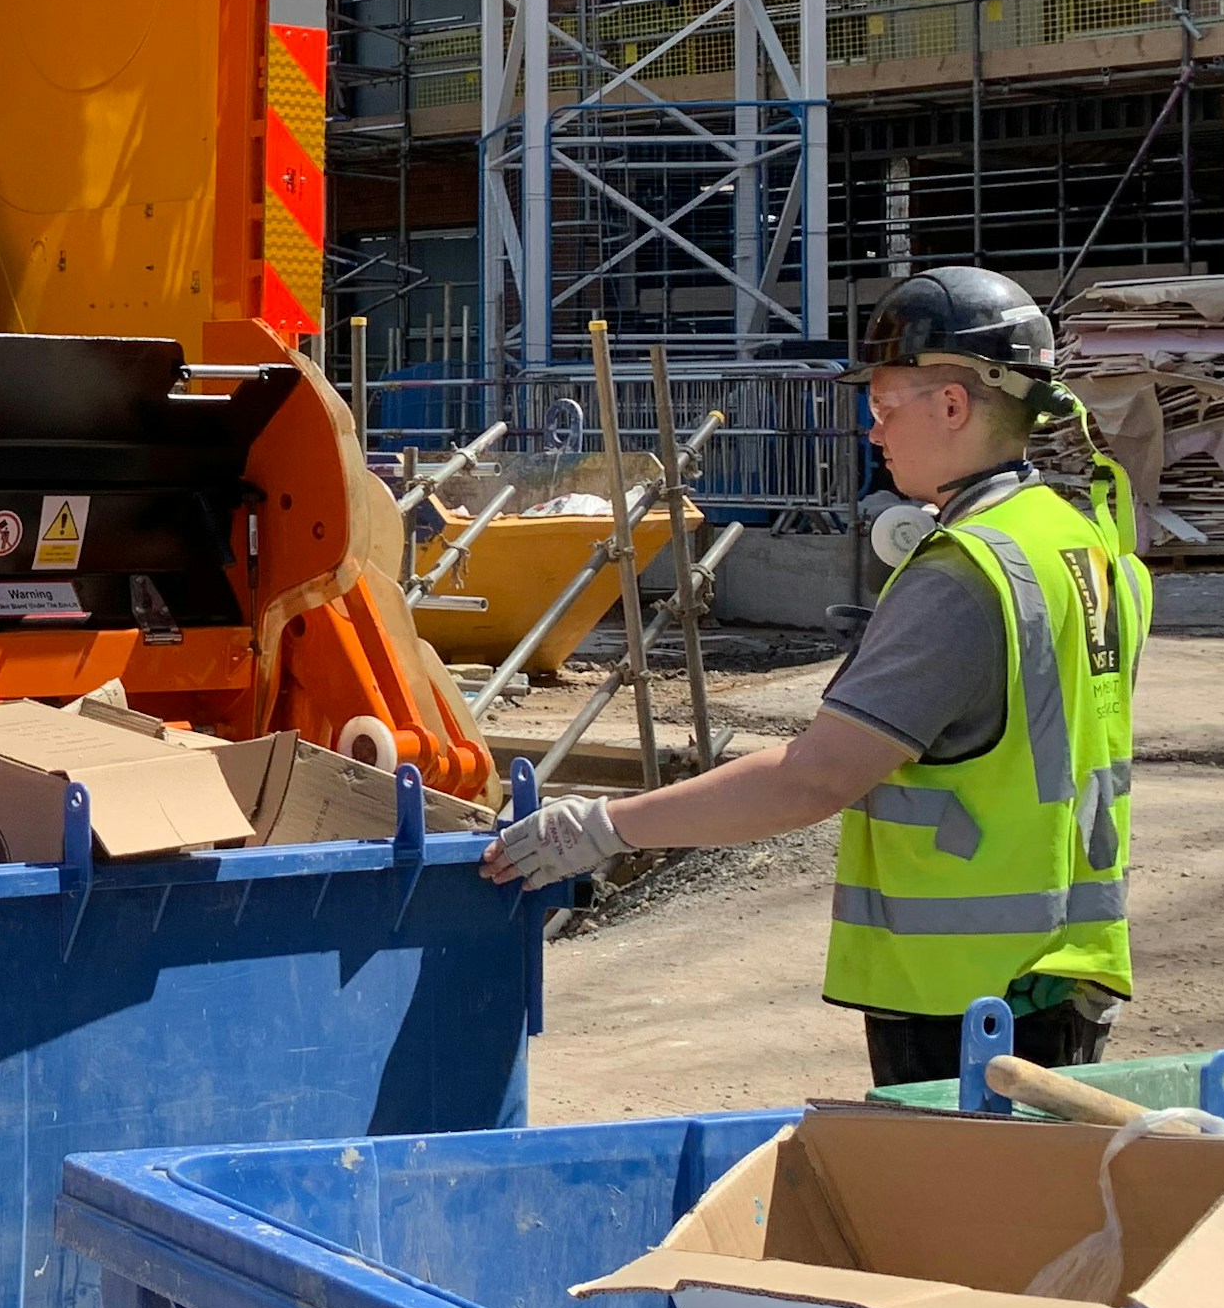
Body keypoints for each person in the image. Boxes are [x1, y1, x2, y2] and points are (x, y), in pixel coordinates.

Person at [484, 266, 1148, 1089]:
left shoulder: (962, 575)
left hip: (969, 1003)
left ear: (953, 404)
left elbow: (813, 779)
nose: (873, 433)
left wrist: (605, 826)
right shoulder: (1081, 543)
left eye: (883, 406)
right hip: (1066, 973)